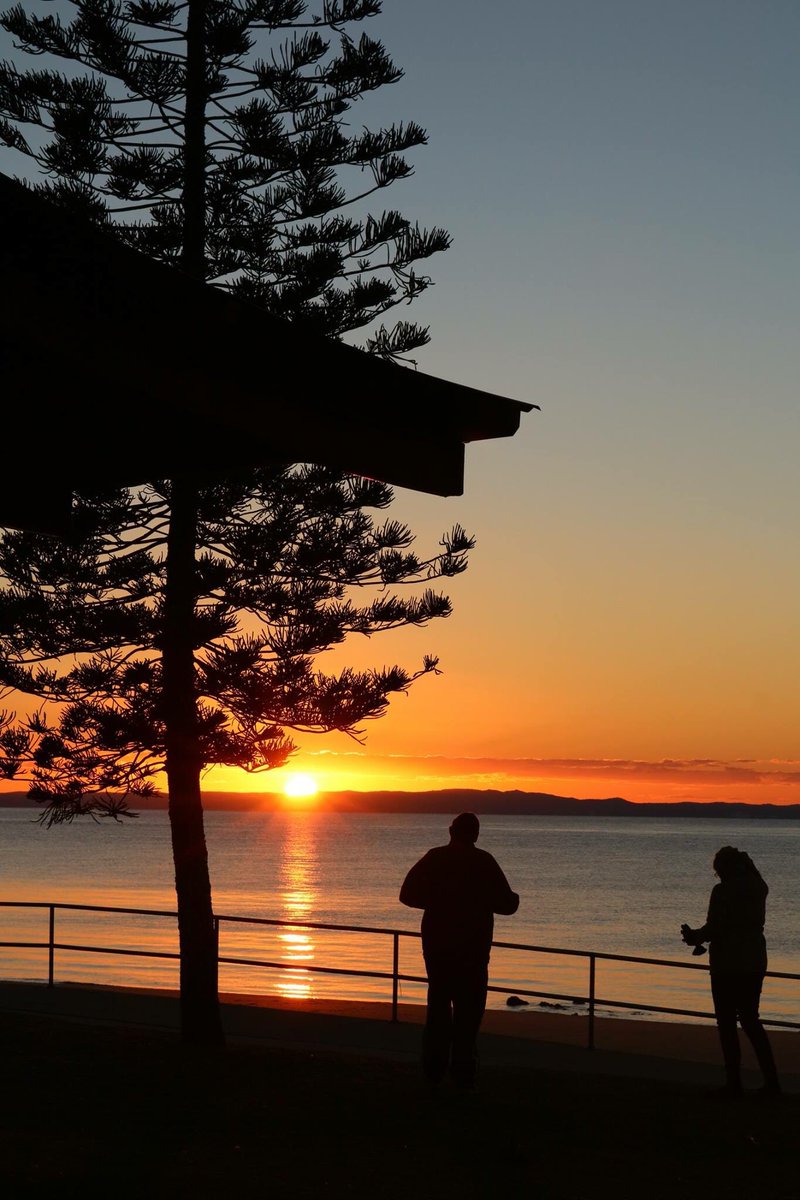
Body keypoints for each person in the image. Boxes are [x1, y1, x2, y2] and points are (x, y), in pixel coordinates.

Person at [399, 812, 519, 1090]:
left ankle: (434, 1071)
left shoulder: (435, 858)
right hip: (473, 952)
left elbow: (407, 894)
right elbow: (508, 904)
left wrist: (438, 902)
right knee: (468, 1013)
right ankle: (463, 1072)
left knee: (438, 1009)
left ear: (451, 831)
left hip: (438, 950)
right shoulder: (483, 862)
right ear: (475, 834)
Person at [681, 845, 781, 1097]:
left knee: (726, 1022)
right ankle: (771, 1082)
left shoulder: (723, 891)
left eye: (718, 871)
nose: (718, 876)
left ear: (723, 869)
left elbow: (716, 926)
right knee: (751, 1020)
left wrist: (695, 937)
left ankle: (734, 1083)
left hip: (726, 962)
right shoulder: (759, 887)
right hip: (755, 960)